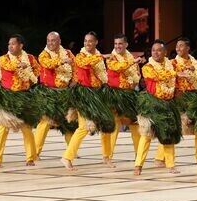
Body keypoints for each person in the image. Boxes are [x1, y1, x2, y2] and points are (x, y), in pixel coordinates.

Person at [61, 32, 115, 170]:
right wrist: (101, 56)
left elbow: (103, 76)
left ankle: (106, 157)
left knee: (106, 125)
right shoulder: (81, 56)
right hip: (85, 94)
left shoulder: (98, 56)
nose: (87, 43)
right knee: (83, 127)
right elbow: (84, 64)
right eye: (85, 41)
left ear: (96, 42)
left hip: (98, 94)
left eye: (90, 41)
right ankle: (67, 157)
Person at [155, 37, 197, 165]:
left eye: (181, 46)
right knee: (170, 125)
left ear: (188, 48)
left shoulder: (196, 63)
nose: (178, 48)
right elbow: (165, 75)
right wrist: (178, 74)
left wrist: (192, 74)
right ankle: (161, 157)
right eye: (177, 46)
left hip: (193, 97)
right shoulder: (171, 63)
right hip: (177, 97)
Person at [0, 35, 40, 168]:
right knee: (2, 127)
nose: (10, 46)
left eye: (13, 44)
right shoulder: (3, 59)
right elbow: (9, 67)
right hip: (8, 97)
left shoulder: (29, 58)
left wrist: (29, 69)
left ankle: (30, 158)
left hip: (24, 96)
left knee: (27, 127)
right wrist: (21, 65)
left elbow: (37, 71)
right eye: (9, 44)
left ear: (21, 45)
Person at [134, 39, 181, 175]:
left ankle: (170, 164)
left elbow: (175, 80)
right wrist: (175, 74)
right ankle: (138, 165)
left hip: (168, 103)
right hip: (152, 103)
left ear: (165, 52)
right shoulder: (147, 67)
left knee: (168, 133)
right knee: (146, 135)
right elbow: (158, 76)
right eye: (153, 50)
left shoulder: (171, 66)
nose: (155, 53)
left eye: (159, 50)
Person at [102, 33, 144, 163]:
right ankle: (107, 156)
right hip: (114, 94)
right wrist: (133, 62)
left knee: (134, 125)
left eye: (120, 44)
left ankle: (139, 155)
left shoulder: (132, 58)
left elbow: (137, 76)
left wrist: (132, 86)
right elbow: (118, 68)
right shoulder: (111, 58)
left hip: (129, 95)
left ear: (126, 44)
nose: (117, 46)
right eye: (115, 44)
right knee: (113, 125)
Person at [34, 31, 76, 157]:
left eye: (53, 40)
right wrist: (62, 61)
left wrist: (74, 80)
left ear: (59, 41)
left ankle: (71, 151)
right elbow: (48, 64)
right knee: (45, 121)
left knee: (68, 121)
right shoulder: (43, 55)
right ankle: (35, 152)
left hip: (65, 92)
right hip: (49, 93)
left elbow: (75, 67)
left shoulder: (68, 53)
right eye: (48, 40)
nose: (50, 43)